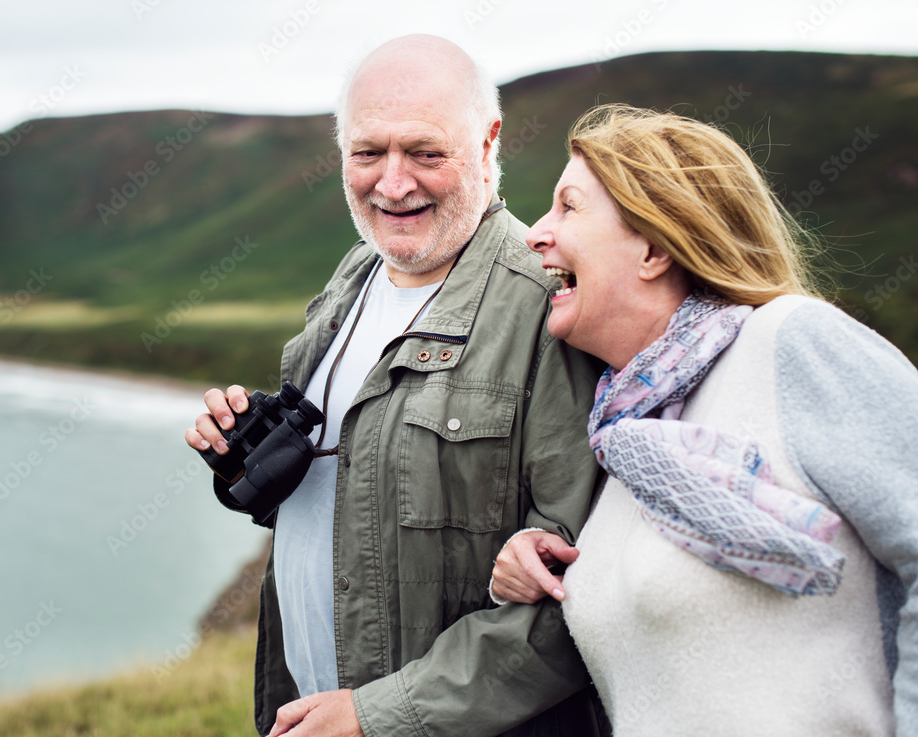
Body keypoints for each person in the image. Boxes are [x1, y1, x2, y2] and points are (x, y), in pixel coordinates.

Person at [186, 35, 608, 737]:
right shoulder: (350, 280)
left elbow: (573, 599)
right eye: (367, 152)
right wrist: (247, 467)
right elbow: (374, 506)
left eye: (425, 152)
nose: (393, 183)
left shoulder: (548, 312)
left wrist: (377, 715)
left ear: (487, 142)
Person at [489, 103, 918, 736]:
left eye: (569, 207)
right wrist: (528, 565)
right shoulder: (622, 434)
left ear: (654, 247)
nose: (535, 233)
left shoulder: (792, 342)